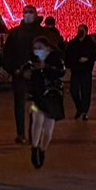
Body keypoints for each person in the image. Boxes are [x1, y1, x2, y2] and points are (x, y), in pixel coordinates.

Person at [21, 36, 66, 169]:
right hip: (37, 97)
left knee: (48, 131)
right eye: (35, 48)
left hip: (52, 98)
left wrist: (46, 67)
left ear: (47, 48)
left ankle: (42, 149)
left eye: (40, 48)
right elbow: (24, 71)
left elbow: (61, 72)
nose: (37, 51)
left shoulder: (56, 59)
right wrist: (26, 72)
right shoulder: (31, 60)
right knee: (37, 121)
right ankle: (34, 148)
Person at [3, 5, 45, 144]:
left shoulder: (41, 33)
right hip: (19, 73)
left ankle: (33, 133)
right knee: (20, 105)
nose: (27, 15)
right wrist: (12, 69)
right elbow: (8, 53)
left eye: (30, 12)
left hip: (37, 74)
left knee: (35, 105)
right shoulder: (15, 33)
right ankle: (21, 133)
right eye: (26, 12)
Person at [65, 24, 96, 120]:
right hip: (76, 70)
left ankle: (84, 111)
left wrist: (87, 59)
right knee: (74, 91)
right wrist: (73, 62)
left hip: (86, 70)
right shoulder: (73, 43)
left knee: (85, 92)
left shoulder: (89, 43)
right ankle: (79, 108)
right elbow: (68, 55)